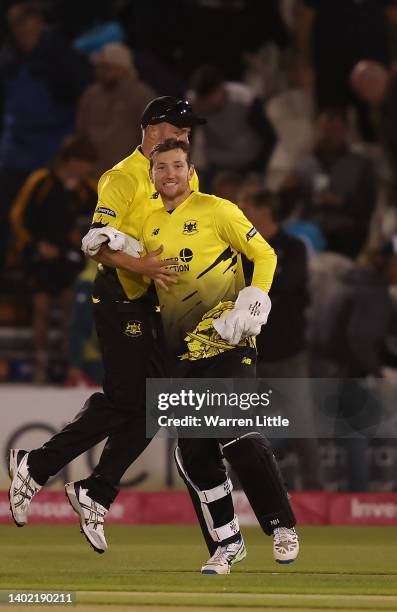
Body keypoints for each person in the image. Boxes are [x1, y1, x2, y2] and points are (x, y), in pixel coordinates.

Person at [8, 96, 203, 554]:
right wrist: (144, 264)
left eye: (190, 133)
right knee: (129, 399)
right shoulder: (120, 178)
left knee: (157, 402)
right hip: (121, 297)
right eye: (180, 129)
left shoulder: (186, 173)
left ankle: (60, 475)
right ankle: (59, 475)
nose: (188, 138)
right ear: (152, 128)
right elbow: (95, 246)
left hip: (161, 302)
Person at [142, 138, 299, 574]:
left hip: (230, 340)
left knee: (233, 429)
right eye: (161, 168)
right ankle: (227, 542)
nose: (169, 174)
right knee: (191, 454)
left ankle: (281, 525)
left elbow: (263, 254)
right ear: (152, 176)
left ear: (190, 172)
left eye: (177, 165)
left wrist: (254, 299)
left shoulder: (218, 210)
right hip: (180, 353)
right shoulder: (146, 222)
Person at [241, 189, 323, 490]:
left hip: (289, 353)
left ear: (263, 211)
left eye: (247, 206)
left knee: (303, 425)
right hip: (249, 351)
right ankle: (230, 492)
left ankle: (316, 491)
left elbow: (289, 283)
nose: (243, 212)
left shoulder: (293, 247)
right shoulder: (242, 248)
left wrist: (255, 287)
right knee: (237, 426)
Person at [0, 3, 92, 268]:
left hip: (50, 145)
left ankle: (50, 264)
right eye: (17, 29)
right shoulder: (8, 55)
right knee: (10, 210)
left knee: (49, 210)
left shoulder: (62, 54)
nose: (23, 35)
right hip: (14, 146)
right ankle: (14, 263)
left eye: (27, 28)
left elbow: (80, 94)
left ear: (38, 24)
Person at [10, 135, 97, 383]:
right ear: (69, 160)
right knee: (42, 308)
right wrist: (35, 244)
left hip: (68, 259)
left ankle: (68, 360)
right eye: (82, 162)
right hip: (38, 255)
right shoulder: (41, 181)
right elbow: (18, 216)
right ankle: (41, 361)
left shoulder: (87, 190)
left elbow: (97, 223)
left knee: (71, 305)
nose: (85, 169)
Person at [279, 107, 377, 259]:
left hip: (345, 230)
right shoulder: (304, 164)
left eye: (335, 130)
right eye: (324, 129)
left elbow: (368, 208)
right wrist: (287, 190)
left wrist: (340, 201)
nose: (328, 135)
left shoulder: (360, 165)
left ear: (345, 131)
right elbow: (283, 209)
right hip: (310, 228)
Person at [189, 65, 276, 191]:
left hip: (249, 165)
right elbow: (186, 137)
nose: (205, 105)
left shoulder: (245, 100)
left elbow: (270, 137)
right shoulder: (193, 102)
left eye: (208, 100)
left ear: (219, 90)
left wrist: (258, 170)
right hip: (216, 165)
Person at [77, 42, 156, 178]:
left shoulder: (141, 96)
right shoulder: (91, 95)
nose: (100, 72)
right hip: (93, 175)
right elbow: (81, 132)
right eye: (99, 67)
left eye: (106, 67)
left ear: (121, 68)